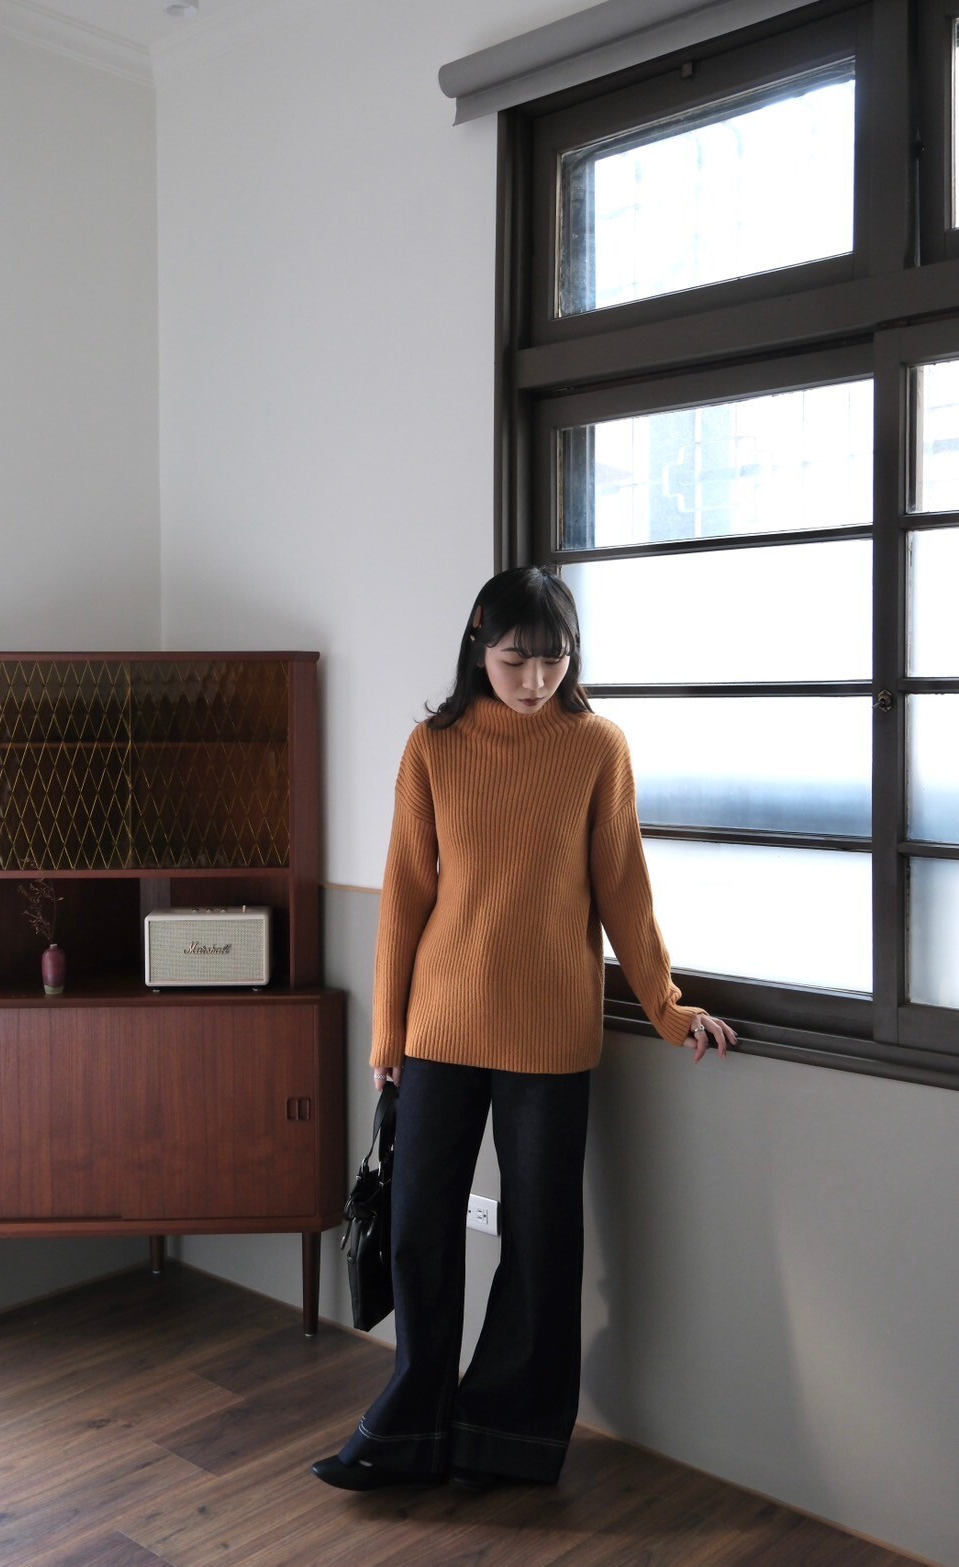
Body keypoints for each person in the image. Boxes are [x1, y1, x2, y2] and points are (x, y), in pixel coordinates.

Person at [312, 566, 736, 1494]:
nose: (535, 679)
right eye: (516, 659)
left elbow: (623, 888)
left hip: (549, 1032)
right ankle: (409, 1428)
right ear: (478, 642)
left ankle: (505, 1435)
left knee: (541, 1237)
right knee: (420, 1227)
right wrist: (388, 1036)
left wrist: (667, 1008)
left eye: (554, 659)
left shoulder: (596, 747)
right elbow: (403, 898)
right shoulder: (434, 746)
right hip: (439, 1027)